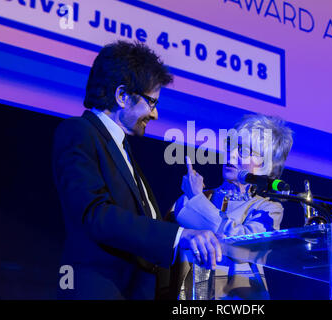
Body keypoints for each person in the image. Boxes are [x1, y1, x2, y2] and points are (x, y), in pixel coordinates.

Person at [52, 40, 221, 300]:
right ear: (122, 96)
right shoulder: (79, 132)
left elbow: (142, 224)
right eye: (151, 103)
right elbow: (96, 215)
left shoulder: (122, 147)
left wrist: (188, 205)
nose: (154, 115)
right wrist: (179, 235)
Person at [167, 114, 294, 300]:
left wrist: (197, 200)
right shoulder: (198, 198)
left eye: (243, 150)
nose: (231, 154)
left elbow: (243, 246)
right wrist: (195, 198)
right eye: (230, 145)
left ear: (265, 164)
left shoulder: (267, 209)